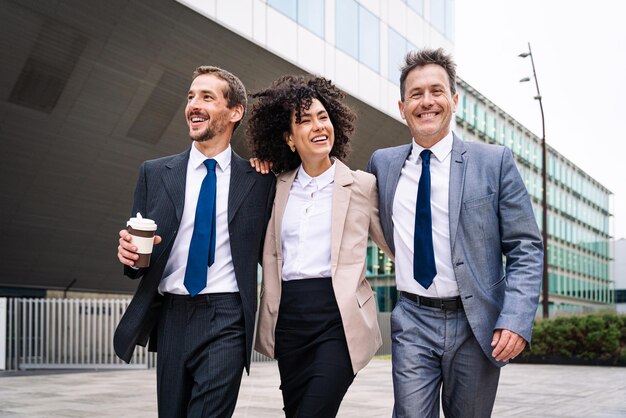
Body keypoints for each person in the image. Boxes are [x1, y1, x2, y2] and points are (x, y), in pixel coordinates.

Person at [367, 48, 543, 417]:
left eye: (436, 91)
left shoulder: (494, 162)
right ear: (402, 107)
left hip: (476, 323)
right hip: (412, 319)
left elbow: (526, 247)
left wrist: (515, 317)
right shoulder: (382, 164)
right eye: (416, 94)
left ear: (454, 100)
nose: (426, 101)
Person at [114, 66, 275, 417]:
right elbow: (136, 255)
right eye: (190, 97)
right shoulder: (154, 173)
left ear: (235, 112)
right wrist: (129, 255)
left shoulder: (260, 180)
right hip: (171, 315)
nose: (194, 105)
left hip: (227, 316)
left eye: (207, 97)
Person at [248, 75, 391, 418]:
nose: (318, 126)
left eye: (323, 116)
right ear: (289, 138)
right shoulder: (273, 186)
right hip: (289, 318)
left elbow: (396, 246)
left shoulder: (362, 185)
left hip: (339, 320)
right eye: (305, 120)